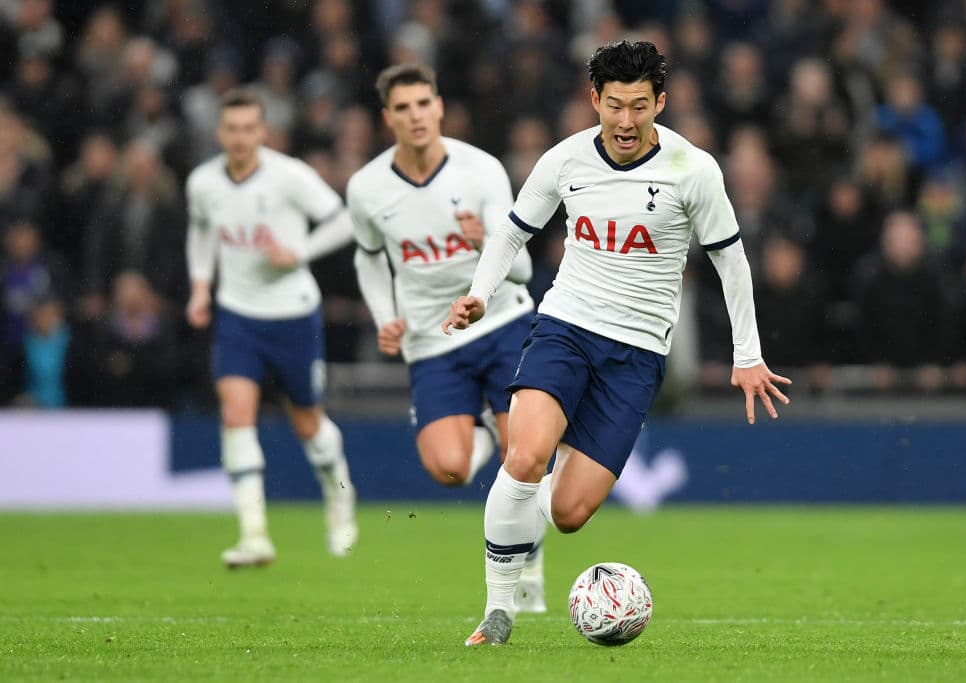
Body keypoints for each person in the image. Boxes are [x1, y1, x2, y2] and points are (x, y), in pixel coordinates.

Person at [442, 40, 792, 646]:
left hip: (635, 355)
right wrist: (480, 292)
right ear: (594, 101)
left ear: (661, 102)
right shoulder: (565, 161)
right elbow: (512, 232)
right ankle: (499, 612)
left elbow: (731, 262)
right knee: (524, 456)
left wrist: (747, 354)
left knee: (571, 513)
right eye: (613, 106)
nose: (625, 122)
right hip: (565, 328)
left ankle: (523, 516)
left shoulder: (693, 170)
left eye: (639, 106)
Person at [347, 64, 544, 611]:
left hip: (502, 323)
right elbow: (367, 258)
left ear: (439, 107)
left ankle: (530, 573)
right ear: (388, 118)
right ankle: (484, 426)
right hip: (432, 341)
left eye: (423, 103)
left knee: (525, 454)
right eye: (402, 107)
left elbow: (524, 269)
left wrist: (490, 245)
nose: (415, 116)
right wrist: (384, 314)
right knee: (449, 469)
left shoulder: (480, 170)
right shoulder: (366, 188)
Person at [185, 88, 357, 568]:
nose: (240, 138)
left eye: (249, 129)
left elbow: (343, 221)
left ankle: (339, 494)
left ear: (262, 132)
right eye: (231, 129)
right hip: (237, 315)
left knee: (309, 424)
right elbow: (200, 233)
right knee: (236, 414)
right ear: (220, 133)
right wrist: (201, 287)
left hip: (293, 315)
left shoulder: (290, 177)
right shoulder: (202, 183)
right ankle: (254, 534)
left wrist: (297, 253)